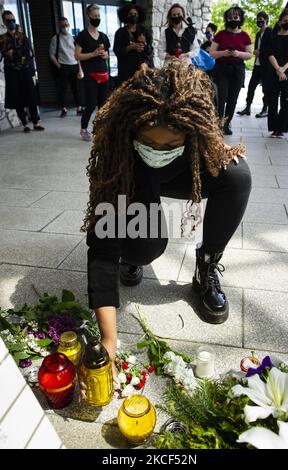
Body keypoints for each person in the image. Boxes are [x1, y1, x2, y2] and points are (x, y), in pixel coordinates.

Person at [80, 61, 252, 381]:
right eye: (149, 142)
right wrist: (109, 340)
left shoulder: (194, 130)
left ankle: (206, 268)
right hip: (134, 177)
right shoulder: (116, 154)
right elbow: (101, 251)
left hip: (181, 174)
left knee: (238, 175)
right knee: (145, 247)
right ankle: (131, 257)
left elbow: (210, 137)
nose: (158, 150)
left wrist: (213, 147)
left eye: (170, 144)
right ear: (131, 130)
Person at [210, 5, 252, 135]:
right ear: (226, 19)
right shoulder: (220, 34)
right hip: (222, 69)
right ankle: (218, 124)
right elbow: (212, 52)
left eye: (235, 17)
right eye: (230, 17)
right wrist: (224, 53)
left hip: (237, 70)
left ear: (240, 18)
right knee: (221, 98)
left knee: (233, 99)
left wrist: (238, 54)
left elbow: (250, 54)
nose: (233, 19)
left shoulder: (245, 35)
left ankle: (227, 124)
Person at [0, 10, 44, 133]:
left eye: (13, 20)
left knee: (31, 96)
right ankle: (25, 124)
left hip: (24, 69)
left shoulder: (22, 36)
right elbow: (3, 54)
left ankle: (36, 122)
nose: (12, 23)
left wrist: (31, 70)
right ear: (4, 22)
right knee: (17, 97)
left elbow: (29, 53)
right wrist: (8, 53)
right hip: (11, 71)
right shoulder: (2, 39)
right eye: (9, 21)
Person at [75, 4, 110, 142]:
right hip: (90, 75)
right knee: (90, 104)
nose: (97, 18)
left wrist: (104, 56)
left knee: (103, 105)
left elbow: (107, 54)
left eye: (99, 16)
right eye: (95, 16)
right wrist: (93, 54)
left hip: (104, 74)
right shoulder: (82, 36)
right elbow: (77, 55)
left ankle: (101, 129)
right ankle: (84, 129)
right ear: (88, 17)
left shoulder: (103, 36)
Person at [267, 9, 288, 138]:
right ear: (280, 22)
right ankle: (274, 128)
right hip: (274, 72)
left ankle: (281, 128)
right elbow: (270, 54)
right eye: (285, 21)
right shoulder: (273, 38)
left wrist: (284, 68)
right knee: (273, 101)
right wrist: (278, 69)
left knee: (287, 102)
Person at [237, 12, 272, 119]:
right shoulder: (257, 34)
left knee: (265, 89)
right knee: (251, 86)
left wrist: (260, 51)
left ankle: (265, 109)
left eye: (261, 19)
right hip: (257, 64)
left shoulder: (270, 31)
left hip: (266, 65)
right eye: (258, 19)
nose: (259, 21)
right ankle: (247, 108)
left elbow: (271, 47)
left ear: (266, 19)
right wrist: (256, 52)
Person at [49, 17, 84, 118]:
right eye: (63, 25)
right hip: (63, 66)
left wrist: (80, 68)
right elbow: (51, 54)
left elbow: (78, 54)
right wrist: (59, 65)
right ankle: (64, 109)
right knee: (63, 88)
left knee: (76, 88)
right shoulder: (56, 38)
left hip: (74, 65)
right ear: (59, 26)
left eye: (66, 25)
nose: (65, 27)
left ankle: (79, 108)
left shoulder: (74, 38)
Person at [113, 4, 153, 85]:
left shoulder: (144, 31)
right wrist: (130, 47)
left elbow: (150, 50)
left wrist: (145, 44)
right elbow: (117, 51)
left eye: (135, 14)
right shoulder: (120, 32)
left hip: (142, 70)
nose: (133, 16)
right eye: (130, 14)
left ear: (139, 16)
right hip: (126, 72)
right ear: (126, 16)